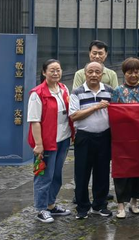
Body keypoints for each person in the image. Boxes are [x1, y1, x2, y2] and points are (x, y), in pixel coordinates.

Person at [28, 59, 74, 223]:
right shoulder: (37, 93)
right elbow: (34, 121)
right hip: (47, 142)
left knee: (56, 175)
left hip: (63, 139)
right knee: (43, 176)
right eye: (52, 70)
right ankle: (41, 209)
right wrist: (39, 144)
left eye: (58, 70)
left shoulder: (63, 88)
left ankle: (51, 205)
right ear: (44, 72)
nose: (56, 73)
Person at [69, 61, 115, 219]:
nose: (94, 75)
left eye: (97, 72)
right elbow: (74, 115)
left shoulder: (109, 91)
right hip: (84, 137)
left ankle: (100, 205)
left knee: (102, 172)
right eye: (90, 72)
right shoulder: (77, 92)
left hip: (104, 135)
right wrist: (95, 107)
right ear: (85, 73)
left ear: (102, 74)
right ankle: (82, 207)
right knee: (81, 173)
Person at [110, 58, 139, 219]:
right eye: (130, 72)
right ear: (124, 73)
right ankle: (120, 205)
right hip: (122, 139)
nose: (133, 75)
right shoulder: (117, 91)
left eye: (136, 71)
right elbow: (112, 114)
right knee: (122, 171)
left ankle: (134, 201)